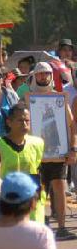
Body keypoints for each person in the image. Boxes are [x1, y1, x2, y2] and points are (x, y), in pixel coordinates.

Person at [27, 62, 77, 240]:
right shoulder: (28, 100)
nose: (43, 77)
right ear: (35, 76)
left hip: (58, 152)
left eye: (46, 74)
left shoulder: (59, 99)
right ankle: (39, 227)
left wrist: (73, 149)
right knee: (39, 192)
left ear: (50, 76)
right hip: (36, 155)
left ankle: (62, 228)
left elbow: (71, 126)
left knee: (60, 188)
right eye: (40, 74)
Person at [0, 104, 47, 223]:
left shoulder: (38, 143)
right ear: (9, 122)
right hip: (6, 200)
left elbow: (37, 167)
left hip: (32, 199)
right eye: (20, 120)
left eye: (27, 120)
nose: (24, 124)